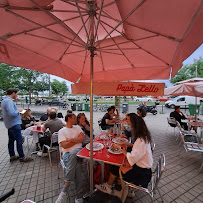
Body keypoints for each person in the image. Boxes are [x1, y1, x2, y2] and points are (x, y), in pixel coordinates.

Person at [95, 113, 153, 197]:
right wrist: (127, 144)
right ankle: (126, 190)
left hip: (141, 175)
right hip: (145, 169)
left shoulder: (140, 140)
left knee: (115, 166)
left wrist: (120, 148)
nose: (131, 128)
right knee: (121, 162)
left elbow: (132, 159)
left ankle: (108, 186)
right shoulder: (143, 137)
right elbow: (138, 151)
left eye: (131, 126)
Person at [55, 113, 85, 203]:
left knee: (73, 155)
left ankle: (65, 188)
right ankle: (78, 195)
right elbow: (64, 146)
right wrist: (77, 140)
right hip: (67, 155)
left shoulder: (78, 128)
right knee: (78, 167)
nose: (75, 119)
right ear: (68, 119)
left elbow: (82, 139)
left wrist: (71, 140)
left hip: (79, 152)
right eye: (74, 118)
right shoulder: (62, 131)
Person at [1, 88, 33, 162]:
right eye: (16, 93)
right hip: (14, 123)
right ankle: (22, 157)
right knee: (19, 140)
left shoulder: (4, 101)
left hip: (9, 124)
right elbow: (12, 113)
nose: (17, 95)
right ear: (13, 93)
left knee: (11, 140)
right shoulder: (9, 101)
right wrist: (19, 111)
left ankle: (12, 155)